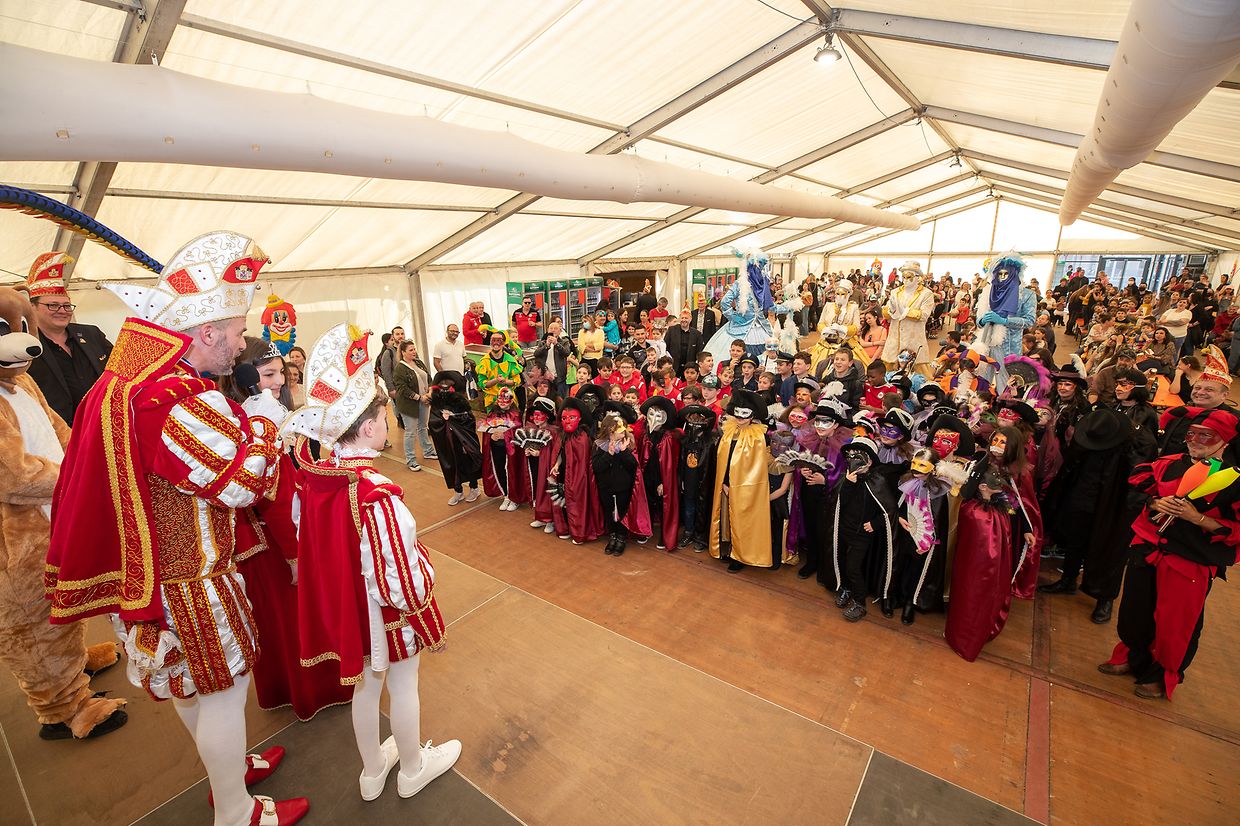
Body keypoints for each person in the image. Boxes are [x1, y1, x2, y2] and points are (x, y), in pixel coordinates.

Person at [44, 231, 309, 825]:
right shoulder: (175, 397)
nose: (241, 346)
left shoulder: (127, 385)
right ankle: (237, 810)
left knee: (195, 689)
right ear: (207, 332)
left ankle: (229, 772)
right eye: (238, 333)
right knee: (222, 691)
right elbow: (245, 483)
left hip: (154, 574)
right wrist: (266, 427)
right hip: (187, 577)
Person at [285, 324, 460, 800]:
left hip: (349, 612)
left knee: (363, 688)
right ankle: (412, 769)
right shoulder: (376, 494)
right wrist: (425, 590)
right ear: (367, 428)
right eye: (385, 418)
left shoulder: (317, 481)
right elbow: (398, 577)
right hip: (384, 614)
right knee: (403, 686)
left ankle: (370, 771)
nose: (389, 426)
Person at [0, 285, 127, 742]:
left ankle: (73, 666)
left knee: (59, 594)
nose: (22, 342)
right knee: (29, 621)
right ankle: (61, 709)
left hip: (51, 511)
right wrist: (74, 477)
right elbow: (11, 475)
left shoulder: (20, 380)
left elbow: (58, 426)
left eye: (20, 329)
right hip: (13, 538)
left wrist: (83, 459)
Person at [222, 338, 352, 721]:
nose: (279, 381)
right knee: (294, 617)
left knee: (277, 621)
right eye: (268, 374)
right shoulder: (259, 417)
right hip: (277, 539)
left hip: (263, 536)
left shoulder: (246, 411)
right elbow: (273, 492)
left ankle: (283, 689)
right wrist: (296, 553)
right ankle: (314, 692)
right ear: (243, 377)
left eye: (281, 373)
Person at [1100, 408, 1240, 700]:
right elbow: (1137, 489)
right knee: (1134, 611)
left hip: (1189, 560)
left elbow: (1235, 529)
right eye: (1192, 434)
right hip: (1148, 547)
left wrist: (1197, 518)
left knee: (1175, 623)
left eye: (1207, 436)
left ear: (1224, 441)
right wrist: (1154, 503)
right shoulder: (1167, 464)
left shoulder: (1233, 480)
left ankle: (1162, 674)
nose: (1196, 440)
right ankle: (1132, 655)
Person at [23, 252, 113, 425]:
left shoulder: (91, 334)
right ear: (32, 307)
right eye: (53, 305)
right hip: (60, 434)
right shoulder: (25, 345)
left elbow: (120, 367)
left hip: (104, 425)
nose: (62, 311)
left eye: (66, 305)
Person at [821, 437, 897, 622]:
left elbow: (889, 509)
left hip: (861, 535)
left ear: (870, 461)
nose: (854, 460)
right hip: (844, 530)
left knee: (853, 567)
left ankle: (860, 602)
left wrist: (875, 524)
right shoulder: (846, 478)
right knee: (842, 561)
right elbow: (838, 502)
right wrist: (848, 483)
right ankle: (845, 588)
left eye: (860, 457)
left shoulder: (877, 481)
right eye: (851, 456)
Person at [708, 389, 772, 572]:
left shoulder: (759, 437)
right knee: (725, 517)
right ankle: (726, 548)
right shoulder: (728, 432)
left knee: (743, 518)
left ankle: (741, 555)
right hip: (726, 482)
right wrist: (724, 481)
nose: (741, 417)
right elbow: (725, 459)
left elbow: (757, 467)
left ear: (753, 415)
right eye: (738, 413)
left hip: (746, 487)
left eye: (745, 414)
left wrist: (737, 486)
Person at [427, 372, 483, 505]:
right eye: (442, 387)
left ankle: (474, 488)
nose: (444, 389)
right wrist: (443, 420)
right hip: (447, 441)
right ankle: (458, 490)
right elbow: (433, 421)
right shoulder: (436, 402)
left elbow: (469, 420)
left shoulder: (461, 402)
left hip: (463, 441)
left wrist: (454, 418)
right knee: (451, 463)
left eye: (448, 387)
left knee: (468, 460)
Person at [881, 261, 935, 369]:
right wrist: (890, 310)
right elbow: (886, 312)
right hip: (894, 339)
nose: (905, 280)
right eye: (903, 277)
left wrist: (905, 311)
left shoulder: (926, 294)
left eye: (909, 277)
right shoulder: (895, 292)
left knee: (915, 372)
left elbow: (924, 315)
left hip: (913, 339)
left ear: (917, 277)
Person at [393, 340, 436, 470]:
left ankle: (428, 451)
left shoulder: (418, 362)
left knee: (423, 427)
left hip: (425, 400)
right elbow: (402, 389)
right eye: (410, 350)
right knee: (410, 432)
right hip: (409, 404)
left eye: (414, 349)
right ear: (403, 352)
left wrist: (429, 392)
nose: (414, 352)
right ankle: (411, 460)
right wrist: (419, 398)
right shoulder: (400, 368)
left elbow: (428, 378)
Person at [474, 328, 522, 409]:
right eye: (493, 340)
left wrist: (506, 381)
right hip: (492, 402)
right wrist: (496, 380)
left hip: (509, 400)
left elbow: (516, 380)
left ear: (503, 343)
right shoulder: (484, 362)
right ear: (490, 343)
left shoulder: (510, 360)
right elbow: (482, 384)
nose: (496, 343)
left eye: (499, 340)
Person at [664, 309, 705, 375]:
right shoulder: (671, 330)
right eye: (682, 318)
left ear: (690, 319)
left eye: (686, 318)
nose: (684, 320)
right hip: (674, 366)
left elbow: (699, 351)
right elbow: (665, 347)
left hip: (689, 368)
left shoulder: (697, 334)